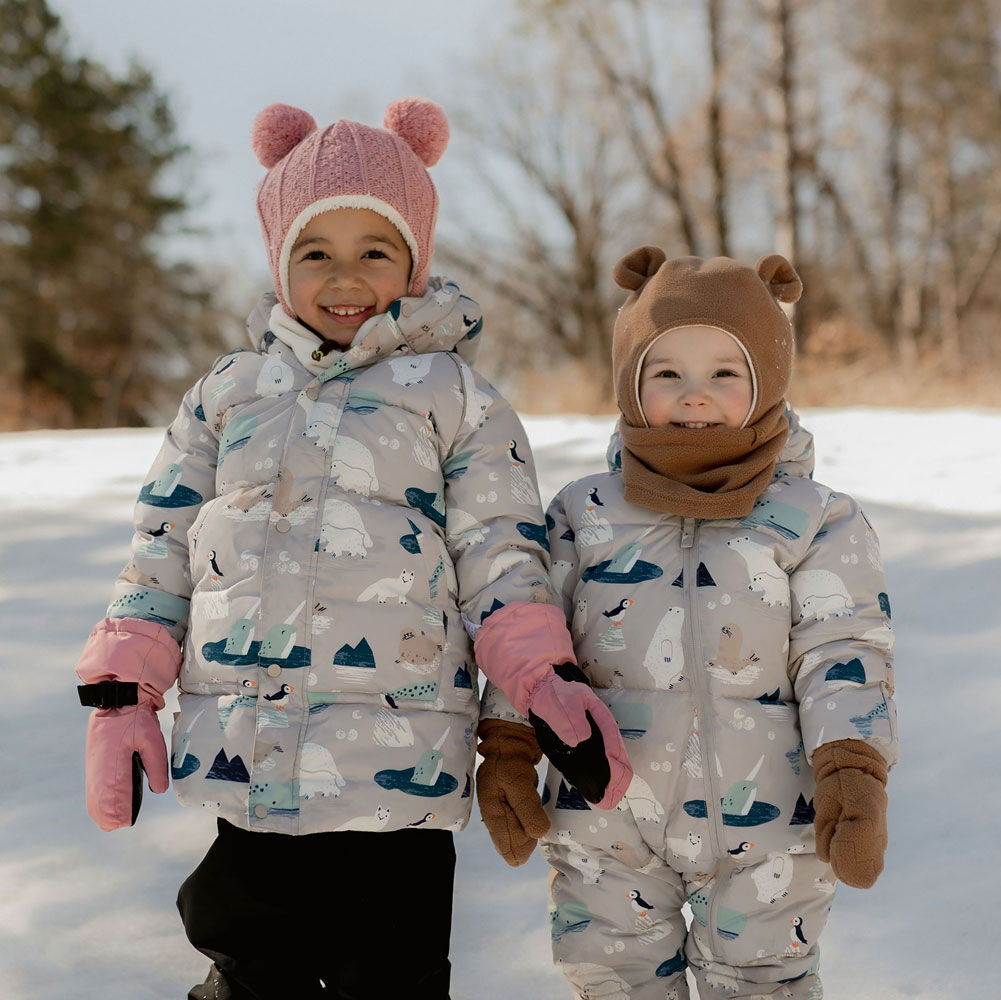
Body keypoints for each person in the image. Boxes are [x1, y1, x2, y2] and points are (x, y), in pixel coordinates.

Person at [74, 97, 631, 1000]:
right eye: (315, 252)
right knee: (248, 955)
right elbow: (164, 545)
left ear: (415, 260)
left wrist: (538, 681)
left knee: (392, 975)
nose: (345, 277)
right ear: (277, 264)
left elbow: (502, 557)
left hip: (396, 767)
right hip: (246, 753)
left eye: (374, 251)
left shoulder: (456, 397)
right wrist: (124, 692)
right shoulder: (228, 392)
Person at [477, 248, 897, 998]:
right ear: (630, 382)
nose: (692, 395)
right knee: (613, 979)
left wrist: (851, 767)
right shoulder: (583, 512)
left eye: (723, 373)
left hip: (770, 820)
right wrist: (507, 744)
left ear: (766, 380)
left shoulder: (814, 518)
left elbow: (842, 648)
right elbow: (534, 640)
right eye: (665, 372)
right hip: (605, 816)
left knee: (766, 984)